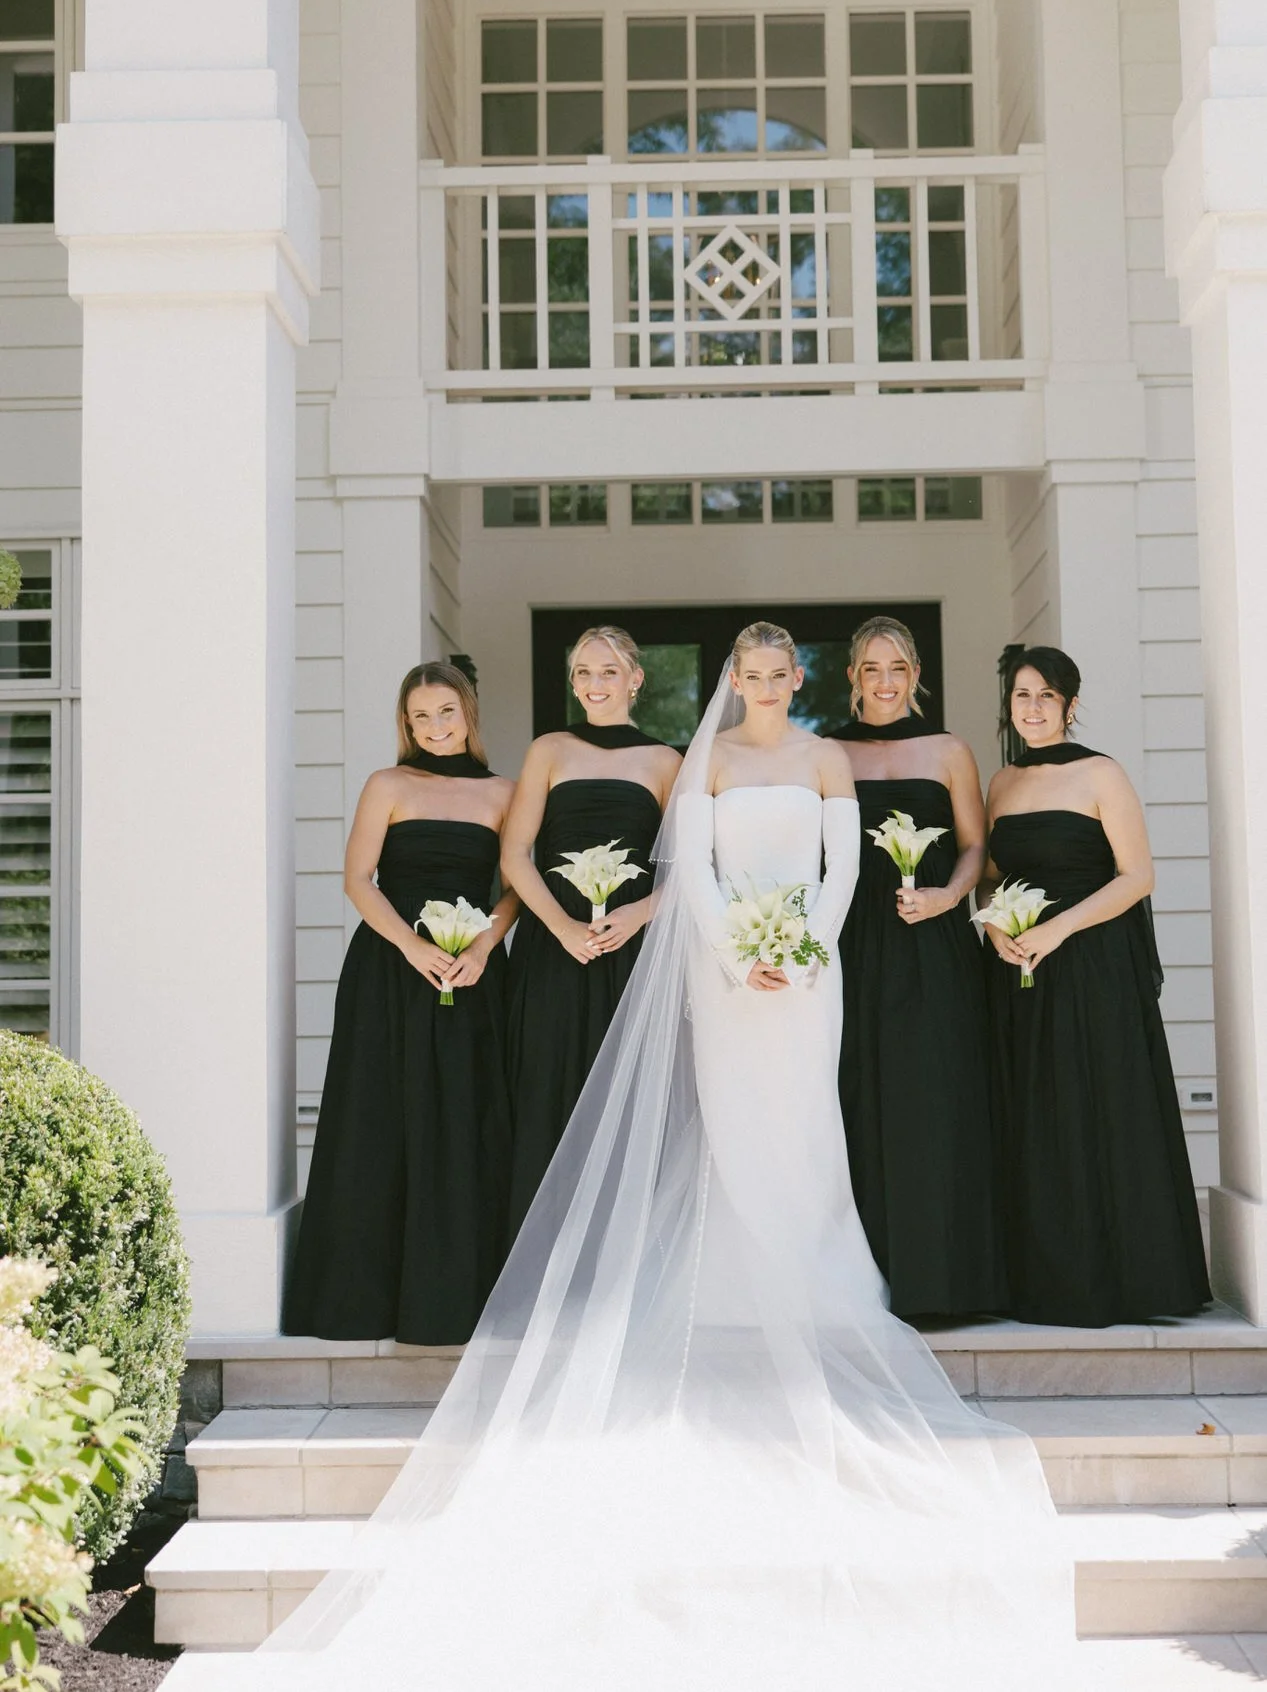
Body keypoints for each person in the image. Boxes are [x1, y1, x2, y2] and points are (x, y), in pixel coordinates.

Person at [235, 622, 1084, 1692]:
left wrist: (802, 946)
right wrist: (740, 947)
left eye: (781, 675)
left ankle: (817, 1272)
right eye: (755, 674)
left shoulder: (822, 760)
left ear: (796, 682)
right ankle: (720, 1269)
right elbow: (690, 870)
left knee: (806, 1123)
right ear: (736, 681)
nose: (767, 686)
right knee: (727, 1120)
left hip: (805, 975)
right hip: (725, 973)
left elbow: (838, 874)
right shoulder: (707, 760)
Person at [283, 663, 517, 1346]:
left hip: (472, 973)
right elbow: (359, 881)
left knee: (464, 1119)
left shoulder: (504, 793)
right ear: (405, 724)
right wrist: (412, 948)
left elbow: (513, 888)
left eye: (446, 713)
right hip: (389, 970)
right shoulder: (386, 785)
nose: (436, 728)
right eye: (421, 718)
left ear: (468, 714)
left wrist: (479, 948)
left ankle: (457, 1303)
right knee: (378, 1117)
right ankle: (358, 1305)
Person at [982, 645, 1210, 1327]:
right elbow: (993, 877)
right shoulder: (1000, 783)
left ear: (1069, 705)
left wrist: (1058, 931)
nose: (1030, 708)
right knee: (1036, 1115)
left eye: (1044, 697)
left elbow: (1136, 876)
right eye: (1020, 696)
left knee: (1098, 1107)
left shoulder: (1100, 774)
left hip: (1091, 963)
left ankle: (1127, 1283)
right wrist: (995, 927)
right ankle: (1046, 1280)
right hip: (1020, 968)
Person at [833, 616, 1005, 1319]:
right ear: (851, 677)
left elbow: (976, 848)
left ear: (914, 675)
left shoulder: (947, 751)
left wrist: (946, 898)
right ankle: (860, 1283)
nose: (883, 681)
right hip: (851, 944)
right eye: (870, 668)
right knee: (855, 1096)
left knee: (933, 1098)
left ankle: (942, 1280)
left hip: (932, 943)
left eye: (896, 668)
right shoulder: (825, 752)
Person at [501, 625, 679, 1236]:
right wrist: (560, 928)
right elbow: (516, 854)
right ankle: (543, 1258)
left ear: (635, 679)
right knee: (547, 1087)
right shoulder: (548, 750)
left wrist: (635, 916)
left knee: (627, 1100)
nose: (595, 684)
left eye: (609, 672)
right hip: (553, 952)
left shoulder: (665, 761)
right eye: (584, 672)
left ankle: (620, 1257)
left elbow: (693, 870)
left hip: (632, 954)